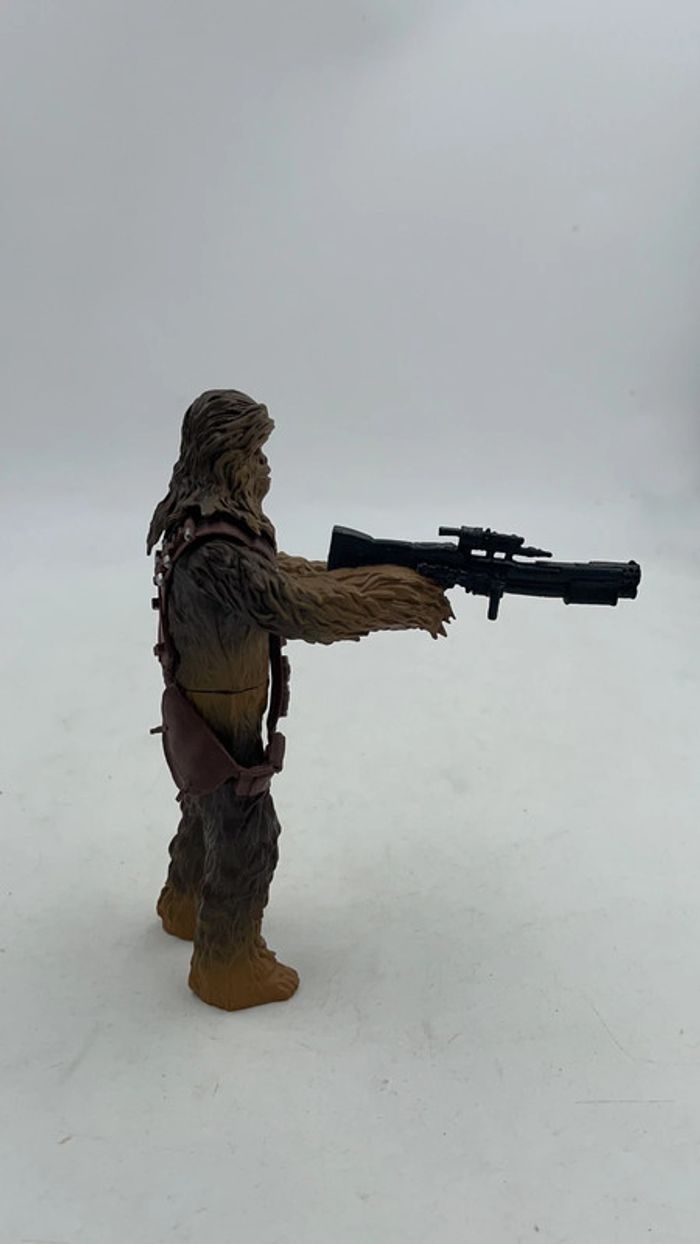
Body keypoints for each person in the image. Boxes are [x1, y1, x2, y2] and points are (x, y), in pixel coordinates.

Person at [147, 390, 453, 1010]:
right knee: (246, 832)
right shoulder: (217, 551)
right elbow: (290, 605)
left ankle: (184, 903)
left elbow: (278, 573)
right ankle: (227, 966)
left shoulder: (201, 528)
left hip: (201, 710)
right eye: (256, 454)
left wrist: (367, 571)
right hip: (221, 719)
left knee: (205, 811)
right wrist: (394, 597)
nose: (266, 468)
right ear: (226, 459)